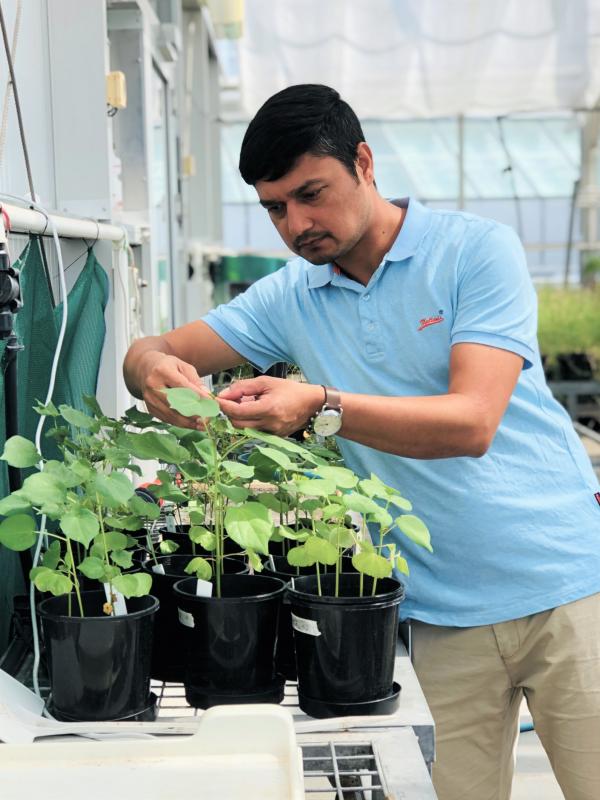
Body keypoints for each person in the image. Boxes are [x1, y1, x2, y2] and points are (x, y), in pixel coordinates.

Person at [123, 84, 600, 800]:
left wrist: (320, 407)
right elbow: (151, 346)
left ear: (365, 163)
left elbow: (472, 422)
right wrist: (152, 369)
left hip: (565, 593)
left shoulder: (473, 251)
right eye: (275, 208)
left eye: (311, 193)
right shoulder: (293, 294)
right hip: (436, 618)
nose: (297, 224)